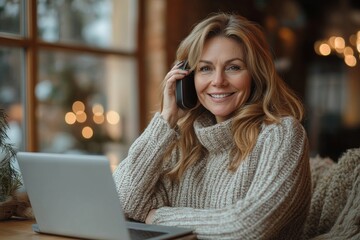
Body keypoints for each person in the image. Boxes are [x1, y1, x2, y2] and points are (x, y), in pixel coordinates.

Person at [113, 12, 311, 239]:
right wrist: (166, 117)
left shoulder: (282, 135)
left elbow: (246, 228)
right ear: (187, 78)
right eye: (205, 68)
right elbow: (122, 201)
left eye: (233, 67)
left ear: (255, 75)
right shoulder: (180, 142)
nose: (218, 81)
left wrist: (159, 217)